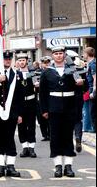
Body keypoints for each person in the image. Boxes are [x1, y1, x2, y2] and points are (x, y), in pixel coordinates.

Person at [40, 46, 84, 178]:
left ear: (64, 55)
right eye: (56, 54)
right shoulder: (47, 72)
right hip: (54, 107)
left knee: (67, 137)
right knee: (55, 137)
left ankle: (68, 166)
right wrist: (44, 110)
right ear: (52, 56)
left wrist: (82, 83)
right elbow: (43, 93)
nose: (59, 56)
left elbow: (83, 87)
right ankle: (58, 166)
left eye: (61, 53)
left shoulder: (73, 70)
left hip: (69, 106)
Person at [0, 51, 24, 178]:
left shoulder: (16, 74)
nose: (7, 61)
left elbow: (19, 96)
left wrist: (19, 114)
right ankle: (0, 166)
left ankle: (11, 166)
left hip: (11, 112)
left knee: (9, 138)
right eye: (5, 59)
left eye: (9, 59)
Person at [16, 53, 38, 158]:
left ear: (26, 61)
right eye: (19, 61)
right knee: (21, 126)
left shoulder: (33, 73)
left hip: (31, 102)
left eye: (23, 60)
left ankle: (32, 148)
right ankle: (24, 147)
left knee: (31, 125)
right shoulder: (15, 74)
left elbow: (38, 87)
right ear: (17, 62)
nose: (21, 62)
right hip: (19, 103)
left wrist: (37, 85)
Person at [83, 47, 96, 131]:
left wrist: (93, 91)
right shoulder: (90, 63)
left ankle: (94, 129)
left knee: (93, 111)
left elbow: (95, 78)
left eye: (84, 53)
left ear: (87, 54)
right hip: (90, 88)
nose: (83, 55)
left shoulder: (93, 64)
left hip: (92, 89)